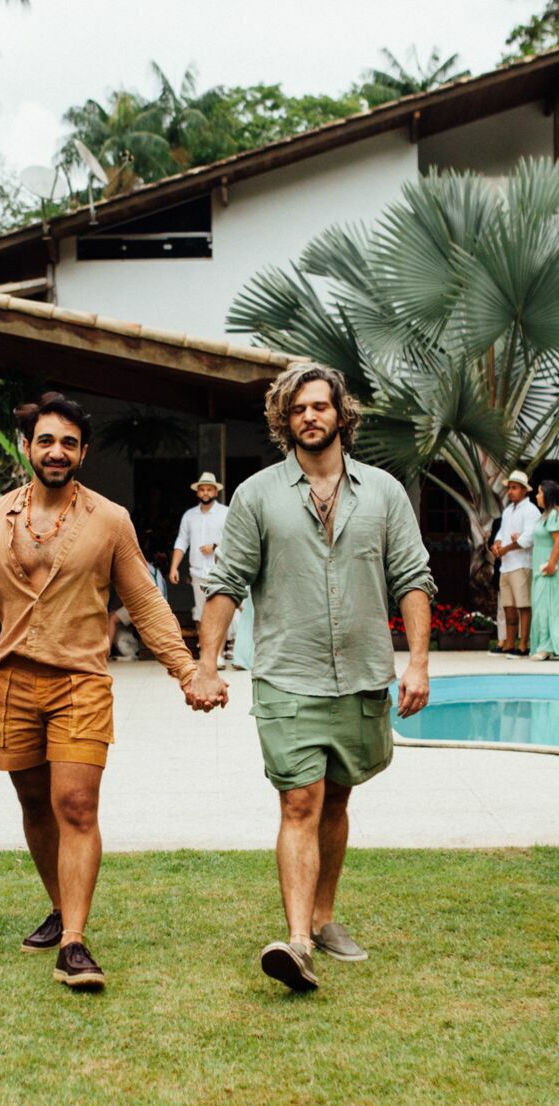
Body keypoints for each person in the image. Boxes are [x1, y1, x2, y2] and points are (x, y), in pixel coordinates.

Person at [0, 392, 212, 991]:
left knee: (75, 806)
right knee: (35, 806)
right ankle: (60, 909)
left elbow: (145, 601)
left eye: (70, 443)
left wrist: (186, 671)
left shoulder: (108, 520)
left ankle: (75, 944)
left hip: (81, 683)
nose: (57, 452)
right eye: (47, 441)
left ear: (84, 452)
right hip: (12, 684)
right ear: (28, 447)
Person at [189, 364, 432, 994]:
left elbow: (412, 578)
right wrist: (206, 662)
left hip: (361, 675)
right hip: (286, 676)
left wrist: (420, 662)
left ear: (340, 414)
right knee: (300, 800)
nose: (310, 417)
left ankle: (324, 918)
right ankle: (297, 942)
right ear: (283, 418)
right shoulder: (257, 495)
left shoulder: (383, 493)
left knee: (339, 797)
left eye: (321, 406)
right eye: (298, 409)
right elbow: (226, 583)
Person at [169, 473, 231, 660]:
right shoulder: (190, 515)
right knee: (201, 613)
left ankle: (218, 654)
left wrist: (214, 546)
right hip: (197, 571)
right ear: (198, 492)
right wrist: (174, 567)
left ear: (215, 491)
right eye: (202, 489)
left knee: (219, 612)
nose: (205, 492)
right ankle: (207, 653)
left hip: (219, 569)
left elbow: (233, 539)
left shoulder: (225, 513)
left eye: (209, 489)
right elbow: (182, 541)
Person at [526, 479, 559, 662]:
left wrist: (551, 564)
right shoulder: (545, 515)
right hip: (543, 566)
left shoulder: (557, 514)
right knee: (542, 606)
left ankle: (548, 646)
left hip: (553, 567)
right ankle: (546, 645)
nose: (537, 496)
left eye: (540, 492)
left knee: (550, 606)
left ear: (548, 495)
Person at [491, 471, 538, 657]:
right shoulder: (507, 511)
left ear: (525, 490)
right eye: (509, 488)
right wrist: (496, 545)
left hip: (521, 564)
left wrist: (505, 549)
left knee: (523, 606)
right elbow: (501, 534)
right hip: (506, 566)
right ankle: (509, 643)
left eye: (514, 488)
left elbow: (528, 538)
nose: (510, 491)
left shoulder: (531, 510)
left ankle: (523, 644)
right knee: (508, 607)